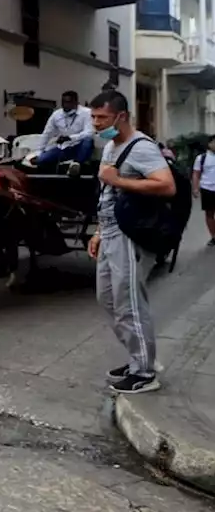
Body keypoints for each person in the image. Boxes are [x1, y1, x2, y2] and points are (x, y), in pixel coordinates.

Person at [87, 90, 174, 395]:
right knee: (108, 298)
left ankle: (145, 372)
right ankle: (140, 357)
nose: (96, 123)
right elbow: (107, 196)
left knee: (129, 304)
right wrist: (98, 232)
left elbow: (166, 186)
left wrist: (118, 180)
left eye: (102, 117)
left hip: (129, 234)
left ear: (121, 116)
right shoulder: (112, 145)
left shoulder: (142, 147)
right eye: (93, 117)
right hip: (110, 231)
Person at [34, 91, 94, 170]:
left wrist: (70, 137)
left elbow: (89, 132)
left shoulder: (87, 112)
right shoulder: (56, 114)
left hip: (79, 146)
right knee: (41, 160)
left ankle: (77, 164)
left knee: (88, 140)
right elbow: (47, 134)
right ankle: (67, 164)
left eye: (68, 102)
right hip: (64, 147)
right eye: (63, 102)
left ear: (76, 102)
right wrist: (38, 152)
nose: (65, 105)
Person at [193, 134, 216, 246]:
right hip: (207, 188)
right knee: (209, 213)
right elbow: (196, 174)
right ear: (209, 144)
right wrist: (195, 188)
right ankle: (213, 236)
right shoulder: (201, 158)